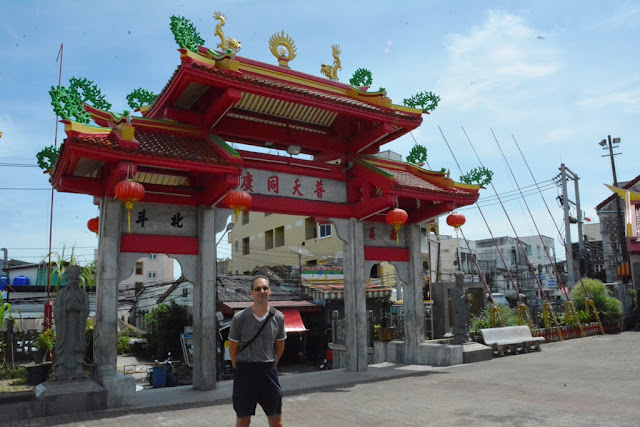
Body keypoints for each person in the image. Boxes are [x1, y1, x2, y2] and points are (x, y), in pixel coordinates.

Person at [228, 276, 286, 427]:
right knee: (243, 420)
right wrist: (239, 366)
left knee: (276, 421)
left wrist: (273, 364)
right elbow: (233, 348)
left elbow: (280, 345)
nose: (262, 291)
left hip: (268, 371)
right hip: (245, 372)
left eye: (265, 288)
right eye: (258, 289)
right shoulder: (239, 318)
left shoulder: (278, 317)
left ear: (270, 291)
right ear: (251, 293)